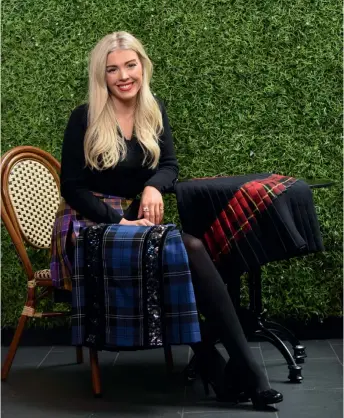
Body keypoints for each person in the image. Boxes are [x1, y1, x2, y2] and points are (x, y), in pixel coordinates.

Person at [58, 31, 283, 409]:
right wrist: (116, 220)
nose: (123, 75)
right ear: (102, 76)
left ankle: (228, 371)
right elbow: (72, 187)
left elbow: (169, 165)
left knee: (179, 254)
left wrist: (153, 189)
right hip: (88, 225)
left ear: (143, 66)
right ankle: (246, 374)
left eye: (130, 65)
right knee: (187, 249)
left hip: (134, 219)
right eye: (113, 69)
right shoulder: (84, 118)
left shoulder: (152, 108)